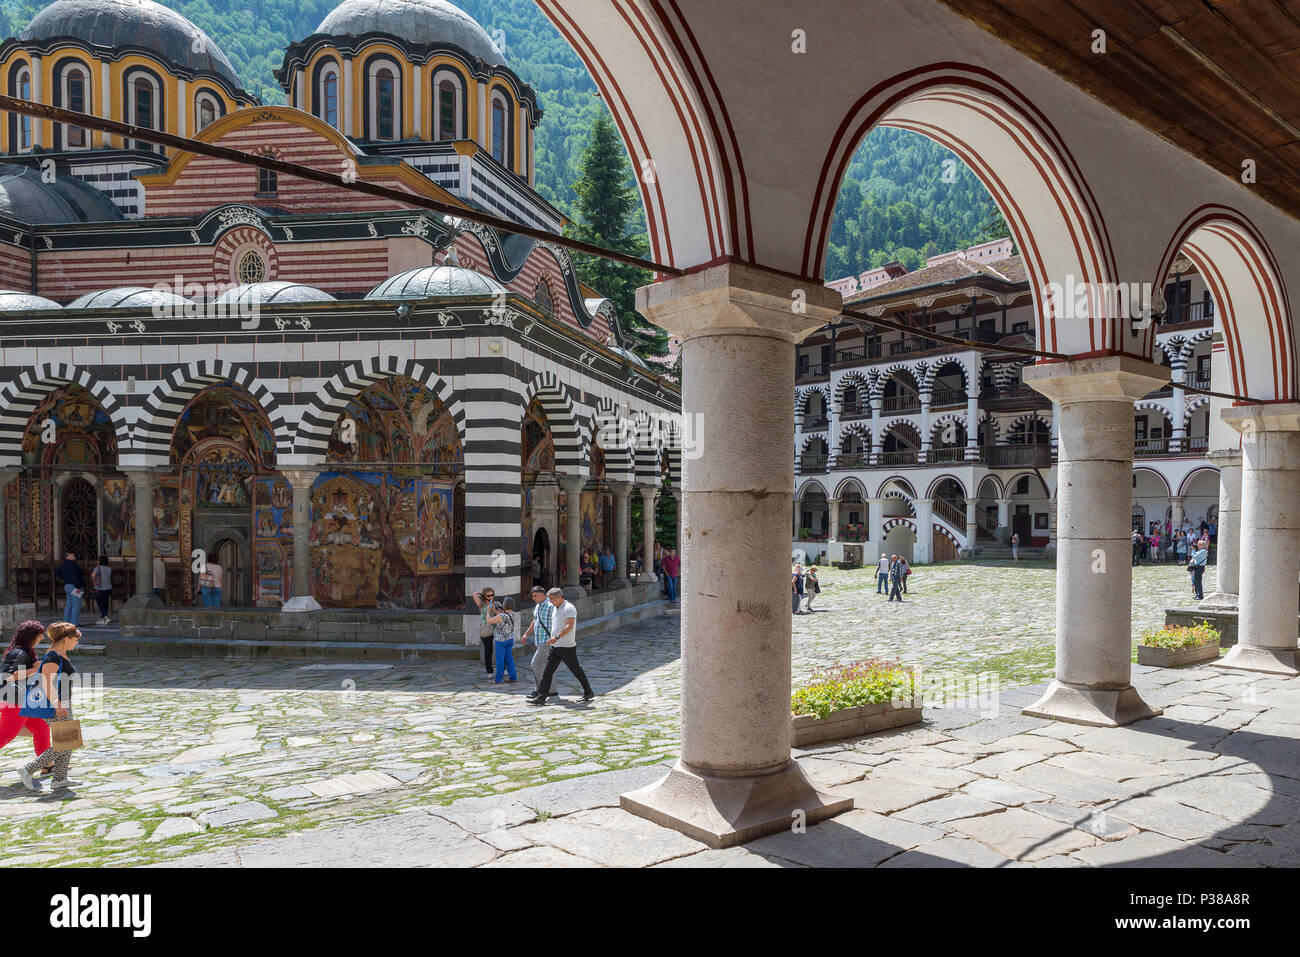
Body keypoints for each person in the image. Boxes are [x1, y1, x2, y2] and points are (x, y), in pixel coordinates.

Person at [20, 621, 81, 792]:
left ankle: (60, 779)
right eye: (75, 639)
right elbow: (46, 683)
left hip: (64, 703)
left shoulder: (60, 655)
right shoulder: (53, 657)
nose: (77, 642)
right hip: (57, 704)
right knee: (66, 741)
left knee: (68, 741)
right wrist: (58, 705)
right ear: (66, 639)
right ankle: (28, 769)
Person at [526, 588, 595, 704]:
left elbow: (569, 626)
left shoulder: (569, 608)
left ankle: (588, 692)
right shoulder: (554, 608)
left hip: (566, 647)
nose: (550, 602)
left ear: (559, 597)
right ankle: (541, 697)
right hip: (555, 647)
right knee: (547, 671)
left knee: (576, 670)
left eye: (552, 599)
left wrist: (556, 637)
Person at [0, 620, 50, 757]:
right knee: (6, 735)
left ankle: (47, 764)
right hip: (14, 701)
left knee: (41, 728)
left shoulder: (23, 652)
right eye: (40, 635)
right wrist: (34, 669)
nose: (42, 638)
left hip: (22, 699)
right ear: (31, 636)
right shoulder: (19, 653)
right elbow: (10, 676)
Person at [520, 586, 560, 698]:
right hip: (540, 641)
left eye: (535, 596)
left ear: (543, 595)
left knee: (535, 664)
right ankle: (550, 690)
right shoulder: (538, 606)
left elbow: (557, 622)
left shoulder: (550, 606)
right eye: (532, 596)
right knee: (547, 666)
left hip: (547, 641)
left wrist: (556, 638)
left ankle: (541, 690)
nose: (533, 598)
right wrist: (526, 634)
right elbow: (535, 621)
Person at [488, 596, 518, 684]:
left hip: (500, 640)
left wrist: (488, 611)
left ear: (504, 605)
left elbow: (489, 621)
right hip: (510, 638)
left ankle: (498, 679)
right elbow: (502, 617)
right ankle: (513, 677)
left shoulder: (502, 616)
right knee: (509, 658)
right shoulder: (514, 614)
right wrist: (495, 610)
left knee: (500, 660)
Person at [472, 588, 498, 679]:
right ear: (484, 596)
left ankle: (503, 668)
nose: (491, 597)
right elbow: (474, 594)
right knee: (488, 650)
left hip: (497, 629)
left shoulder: (497, 603)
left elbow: (502, 614)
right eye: (488, 595)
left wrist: (494, 609)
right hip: (486, 629)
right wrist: (481, 594)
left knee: (500, 649)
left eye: (492, 595)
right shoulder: (481, 605)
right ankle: (489, 671)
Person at [56, 552, 84, 625]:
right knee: (76, 604)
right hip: (74, 586)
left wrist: (65, 579)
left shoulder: (64, 565)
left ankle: (67, 621)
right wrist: (77, 586)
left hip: (67, 586)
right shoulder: (72, 565)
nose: (74, 556)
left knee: (69, 604)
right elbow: (75, 576)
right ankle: (74, 622)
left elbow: (57, 572)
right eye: (72, 555)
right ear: (67, 557)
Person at [90, 554, 112, 626]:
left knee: (100, 604)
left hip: (99, 588)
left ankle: (106, 617)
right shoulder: (109, 568)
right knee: (105, 603)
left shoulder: (97, 568)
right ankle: (102, 619)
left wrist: (94, 582)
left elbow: (93, 575)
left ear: (99, 561)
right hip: (108, 588)